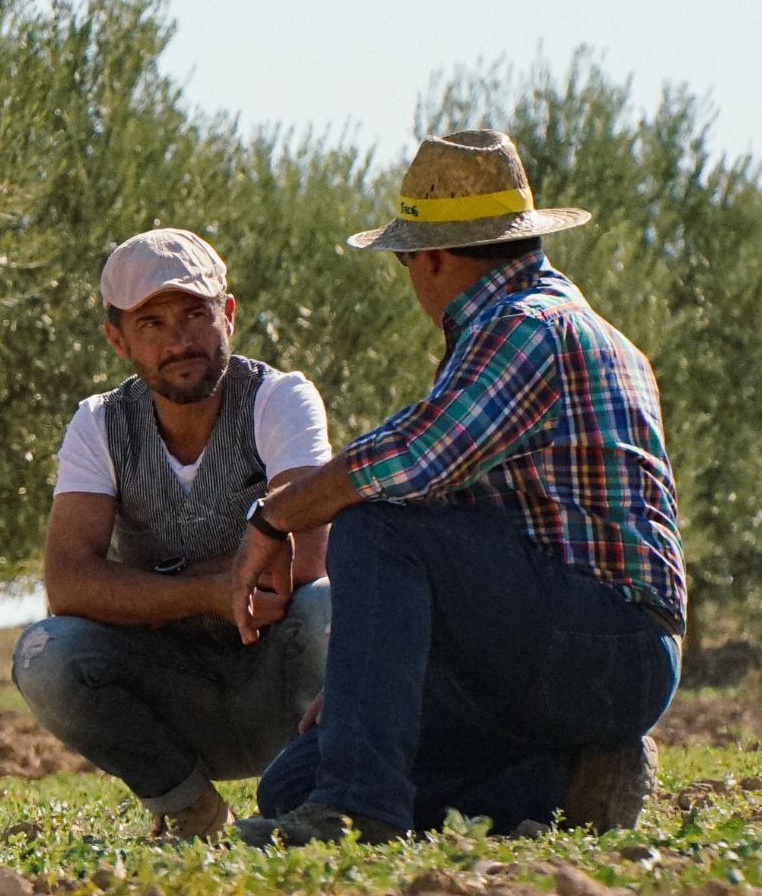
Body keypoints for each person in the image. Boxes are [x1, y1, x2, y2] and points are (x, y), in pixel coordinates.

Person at [229, 130, 685, 847]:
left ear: (432, 258)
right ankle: (569, 779)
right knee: (291, 783)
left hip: (604, 645)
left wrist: (273, 520)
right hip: (565, 653)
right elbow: (460, 532)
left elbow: (409, 462)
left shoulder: (527, 328)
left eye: (406, 260)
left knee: (375, 521)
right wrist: (360, 694)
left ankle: (356, 813)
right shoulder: (549, 327)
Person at [12, 228, 334, 840]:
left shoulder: (280, 399)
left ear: (229, 316)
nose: (179, 340)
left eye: (194, 315)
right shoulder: (99, 425)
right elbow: (69, 583)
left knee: (326, 605)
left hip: (280, 685)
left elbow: (306, 557)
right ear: (117, 339)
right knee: (45, 653)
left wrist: (141, 593)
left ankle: (314, 801)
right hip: (174, 694)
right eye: (151, 324)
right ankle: (190, 807)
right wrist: (210, 591)